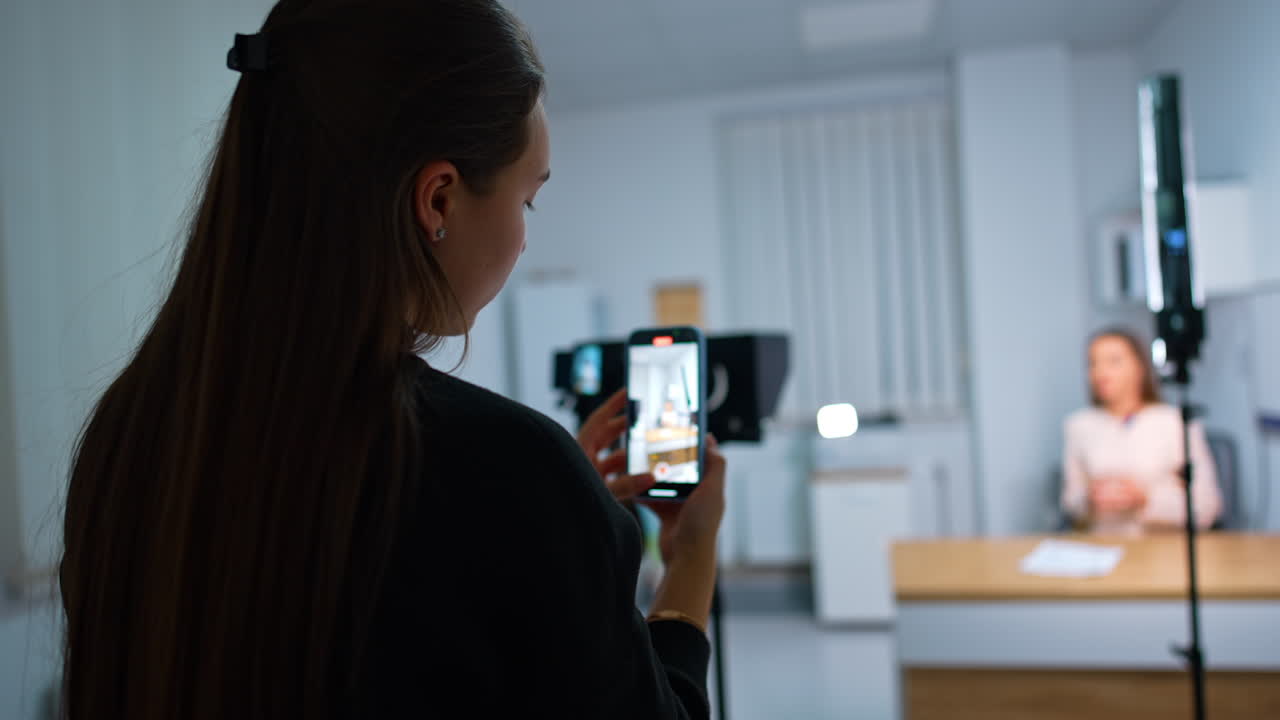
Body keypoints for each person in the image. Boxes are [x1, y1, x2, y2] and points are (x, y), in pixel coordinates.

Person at [58, 2, 725, 718]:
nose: (526, 240)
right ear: (437, 198)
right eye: (528, 201)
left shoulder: (126, 435)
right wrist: (687, 562)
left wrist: (569, 531)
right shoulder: (512, 469)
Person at [1061, 327, 1222, 535]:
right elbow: (1070, 502)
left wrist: (1145, 500)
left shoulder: (1175, 423)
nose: (1100, 372)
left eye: (1113, 361)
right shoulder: (1078, 426)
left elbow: (1207, 507)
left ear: (1140, 367)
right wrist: (1089, 500)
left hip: (1162, 552)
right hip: (1103, 547)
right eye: (1093, 363)